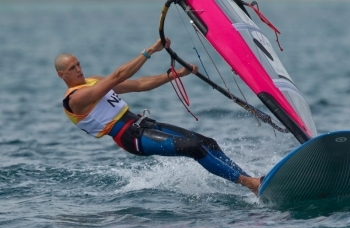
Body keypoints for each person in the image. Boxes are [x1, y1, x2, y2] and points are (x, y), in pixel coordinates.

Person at [55, 37, 262, 196]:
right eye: (72, 68)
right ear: (62, 75)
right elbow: (119, 75)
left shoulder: (92, 82)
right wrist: (151, 51)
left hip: (143, 124)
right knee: (193, 148)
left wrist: (176, 74)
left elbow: (138, 85)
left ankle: (252, 181)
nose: (78, 70)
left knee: (209, 142)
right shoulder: (74, 100)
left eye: (78, 64)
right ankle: (250, 183)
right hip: (131, 138)